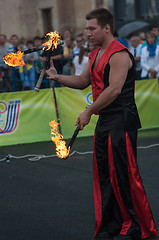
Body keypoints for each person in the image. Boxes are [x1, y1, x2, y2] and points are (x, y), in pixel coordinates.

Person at [46, 8, 158, 240]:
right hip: (106, 120)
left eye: (91, 28)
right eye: (86, 28)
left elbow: (114, 89)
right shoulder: (95, 54)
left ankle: (137, 227)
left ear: (107, 28)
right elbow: (82, 80)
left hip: (121, 120)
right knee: (105, 174)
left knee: (125, 174)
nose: (87, 33)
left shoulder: (120, 54)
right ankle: (112, 224)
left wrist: (89, 111)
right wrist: (57, 77)